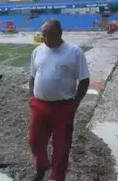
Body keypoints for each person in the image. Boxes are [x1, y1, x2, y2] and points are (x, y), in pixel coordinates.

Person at [28, 20, 90, 181]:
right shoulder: (37, 51)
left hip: (63, 108)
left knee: (61, 149)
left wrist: (74, 106)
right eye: (42, 35)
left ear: (58, 34)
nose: (43, 38)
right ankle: (42, 165)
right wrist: (31, 97)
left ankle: (57, 177)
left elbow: (84, 80)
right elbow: (32, 77)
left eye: (47, 35)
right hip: (39, 106)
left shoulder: (74, 52)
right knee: (34, 141)